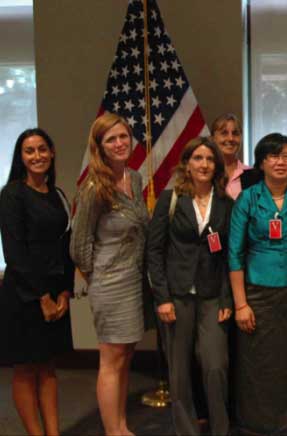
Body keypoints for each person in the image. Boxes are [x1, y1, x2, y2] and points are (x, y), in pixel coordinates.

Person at [228, 133, 287, 434]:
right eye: (273, 156)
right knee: (258, 361)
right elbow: (234, 254)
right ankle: (256, 422)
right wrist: (240, 304)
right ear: (261, 163)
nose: (281, 162)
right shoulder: (248, 198)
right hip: (256, 292)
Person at [147, 137, 233, 435]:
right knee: (180, 372)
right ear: (187, 163)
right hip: (176, 295)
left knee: (215, 366)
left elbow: (228, 257)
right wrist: (162, 298)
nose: (204, 164)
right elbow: (154, 251)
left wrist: (227, 300)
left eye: (210, 159)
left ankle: (221, 428)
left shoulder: (225, 203)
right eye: (198, 158)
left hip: (212, 297)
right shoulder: (170, 198)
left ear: (217, 166)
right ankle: (186, 430)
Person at [70, 112, 149, 436]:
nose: (119, 143)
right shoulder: (94, 187)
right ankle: (112, 431)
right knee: (111, 359)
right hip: (110, 283)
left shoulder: (135, 178)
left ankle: (121, 424)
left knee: (126, 355)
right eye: (111, 139)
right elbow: (78, 246)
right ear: (99, 146)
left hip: (134, 282)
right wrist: (98, 278)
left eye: (123, 136)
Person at [0, 128, 73, 436]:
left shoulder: (57, 195)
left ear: (52, 152)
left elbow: (65, 246)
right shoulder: (13, 193)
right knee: (26, 368)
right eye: (29, 151)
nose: (37, 156)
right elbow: (14, 251)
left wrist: (65, 293)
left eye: (42, 149)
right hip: (24, 294)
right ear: (21, 157)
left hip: (56, 292)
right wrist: (42, 296)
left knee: (48, 366)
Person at [210, 113, 251, 200]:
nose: (230, 138)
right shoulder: (206, 172)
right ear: (213, 138)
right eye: (224, 133)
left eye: (235, 133)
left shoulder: (252, 175)